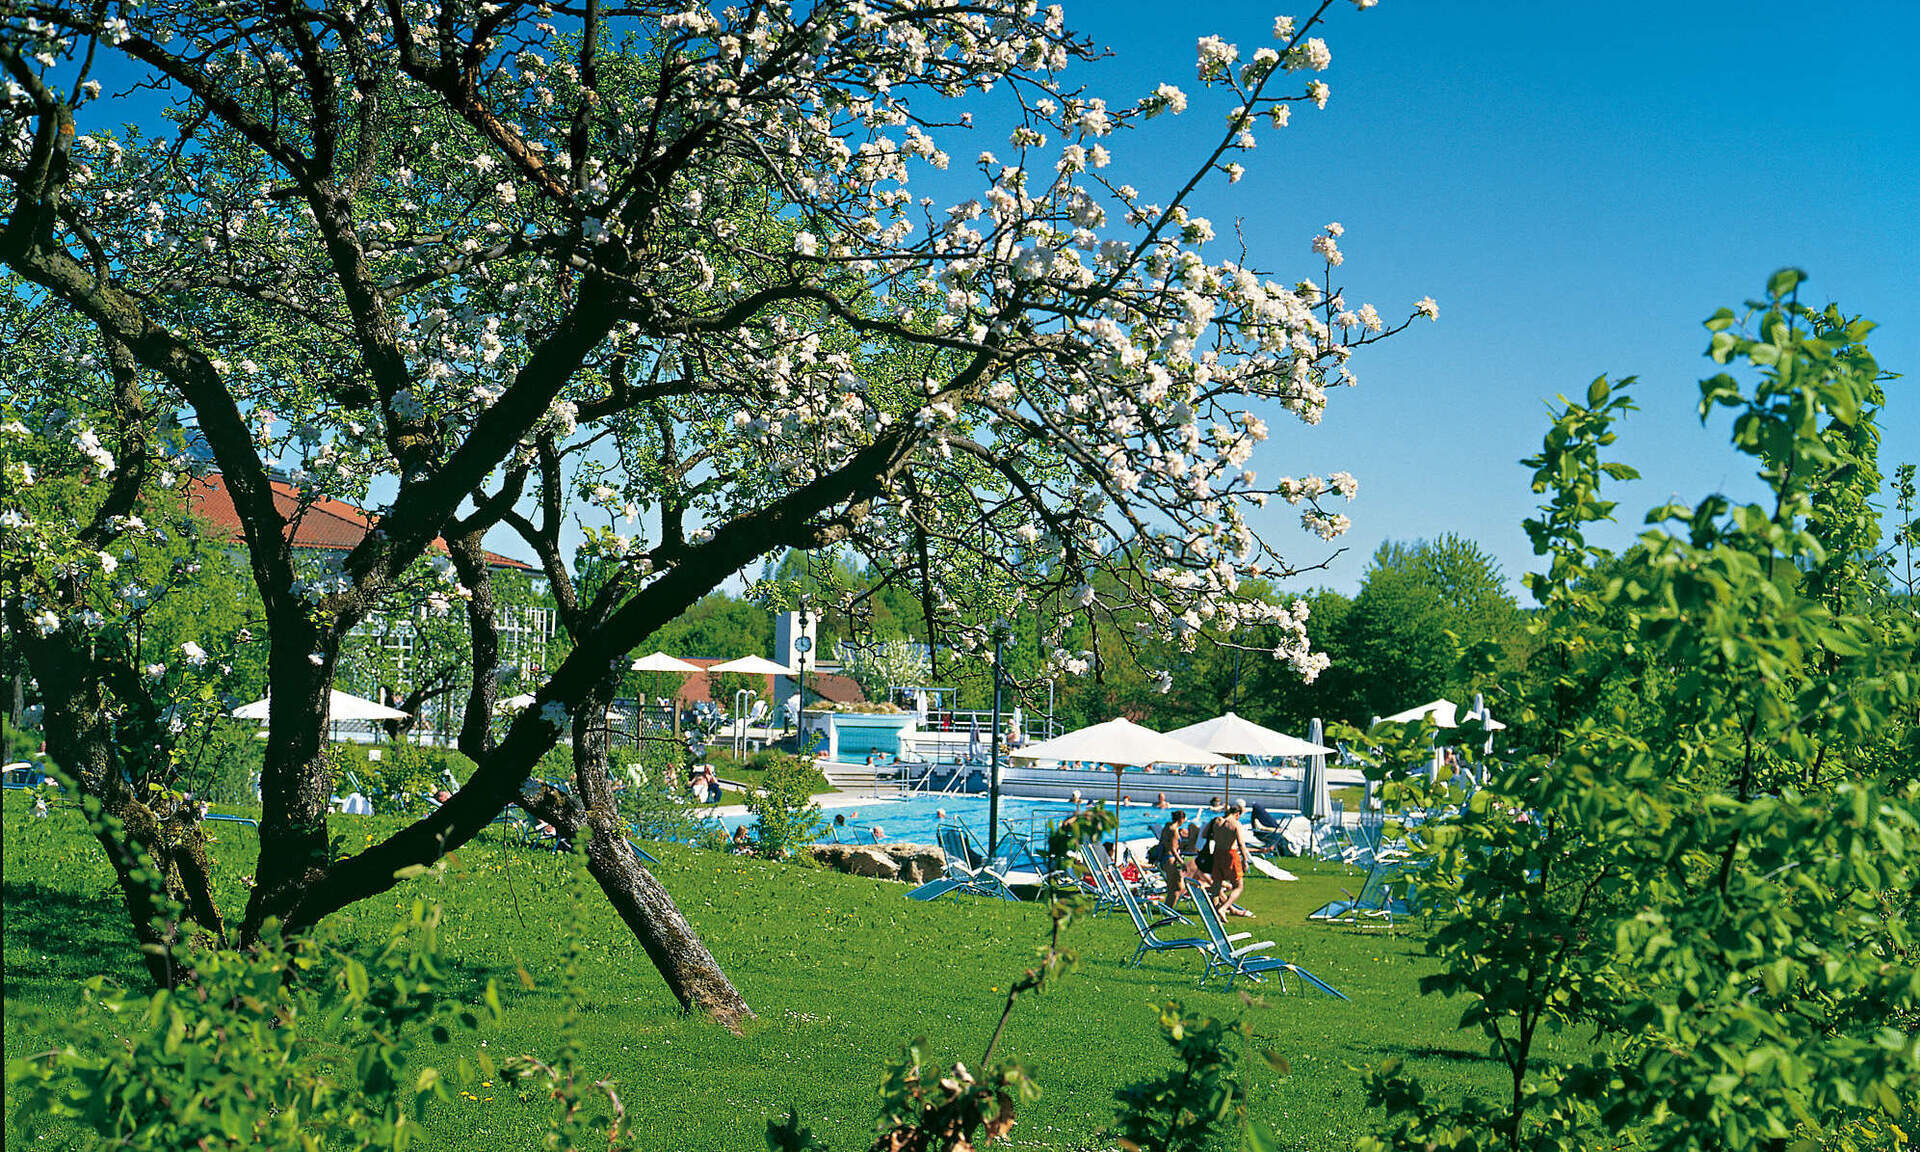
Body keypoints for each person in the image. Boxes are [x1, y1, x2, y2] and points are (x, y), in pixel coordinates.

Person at [1208, 802, 1252, 917]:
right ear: (1237, 814)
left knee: (1216, 886)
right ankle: (1224, 908)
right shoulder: (1235, 824)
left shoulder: (1217, 822)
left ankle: (1215, 911)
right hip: (1230, 854)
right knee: (1238, 886)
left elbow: (1209, 836)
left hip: (1217, 853)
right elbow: (1241, 844)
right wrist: (1245, 860)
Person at [1154, 810, 1188, 911]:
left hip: (1164, 859)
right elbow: (1173, 849)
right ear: (1181, 819)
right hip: (1170, 860)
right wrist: (1182, 863)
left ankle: (1166, 909)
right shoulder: (1174, 830)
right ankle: (1169, 910)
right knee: (1179, 888)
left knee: (1171, 888)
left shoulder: (1167, 826)